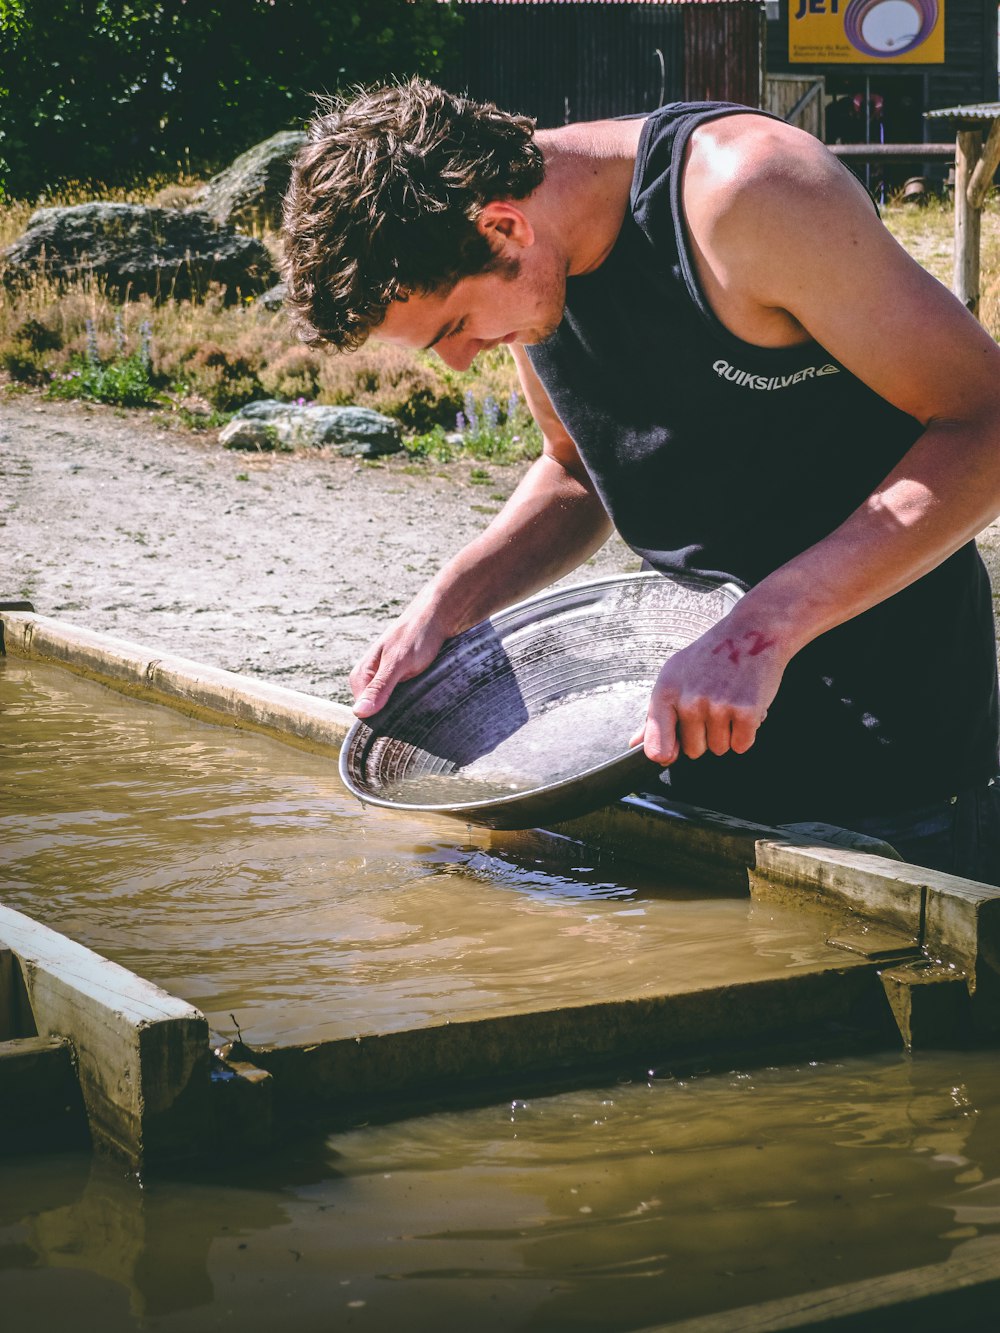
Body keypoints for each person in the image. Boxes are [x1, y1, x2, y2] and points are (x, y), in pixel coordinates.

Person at [281, 78, 1000, 883]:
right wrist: (446, 607)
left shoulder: (747, 193)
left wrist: (759, 629)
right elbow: (575, 470)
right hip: (683, 738)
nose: (456, 360)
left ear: (503, 226)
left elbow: (986, 422)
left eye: (452, 326)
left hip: (892, 750)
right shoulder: (528, 266)